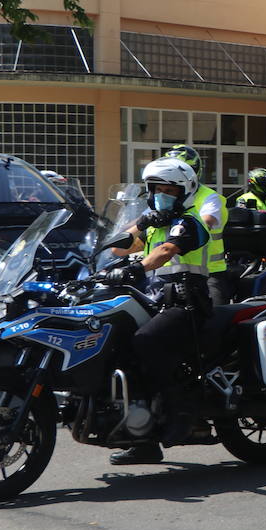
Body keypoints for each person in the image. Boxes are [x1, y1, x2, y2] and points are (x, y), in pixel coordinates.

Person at [107, 157, 214, 465]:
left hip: (186, 302)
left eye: (168, 189)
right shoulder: (157, 223)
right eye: (155, 189)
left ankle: (183, 415)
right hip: (155, 300)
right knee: (119, 345)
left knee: (146, 342)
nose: (161, 195)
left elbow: (166, 252)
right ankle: (140, 437)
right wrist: (141, 223)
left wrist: (136, 268)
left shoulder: (190, 222)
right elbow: (118, 248)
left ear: (185, 192)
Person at [164, 144, 231, 306]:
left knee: (212, 322)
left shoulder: (209, 197)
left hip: (209, 272)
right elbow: (143, 222)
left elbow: (205, 222)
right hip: (171, 272)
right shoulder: (164, 196)